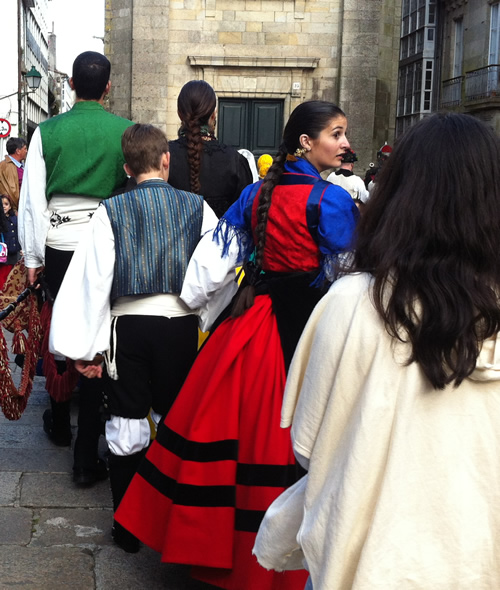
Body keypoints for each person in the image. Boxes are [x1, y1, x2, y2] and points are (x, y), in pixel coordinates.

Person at [115, 100, 359, 589]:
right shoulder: (333, 202)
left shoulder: (255, 193)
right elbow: (351, 276)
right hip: (313, 326)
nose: (345, 144)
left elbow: (210, 267)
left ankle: (216, 542)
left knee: (235, 429)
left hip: (256, 326)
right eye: (336, 134)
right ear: (306, 142)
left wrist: (197, 310)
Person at [253, 112, 500, 590]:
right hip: (478, 560)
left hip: (367, 559)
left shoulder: (351, 303)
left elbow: (307, 445)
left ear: (398, 195)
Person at [49, 123, 218, 553]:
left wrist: (86, 349)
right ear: (167, 160)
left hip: (128, 328)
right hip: (180, 325)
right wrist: (204, 314)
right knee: (173, 421)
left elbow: (93, 281)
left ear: (126, 168)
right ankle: (171, 522)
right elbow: (215, 272)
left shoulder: (111, 210)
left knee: (125, 424)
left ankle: (126, 528)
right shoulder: (198, 207)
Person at [18, 51, 134, 486]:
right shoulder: (125, 131)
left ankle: (61, 421)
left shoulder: (47, 132)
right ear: (108, 87)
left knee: (61, 328)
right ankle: (88, 449)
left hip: (59, 243)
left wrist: (32, 258)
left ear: (70, 84)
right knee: (100, 336)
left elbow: (33, 201)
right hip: (106, 240)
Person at [167, 80, 253, 217]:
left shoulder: (162, 157)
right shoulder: (235, 162)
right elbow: (245, 215)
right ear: (213, 115)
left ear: (179, 114)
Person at [0, 137, 28, 211]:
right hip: (14, 211)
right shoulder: (6, 166)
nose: (26, 151)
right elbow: (12, 192)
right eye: (25, 148)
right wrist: (15, 210)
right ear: (18, 151)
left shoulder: (20, 166)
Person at [0, 194, 21, 288]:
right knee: (3, 276)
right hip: (3, 254)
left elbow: (19, 234)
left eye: (6, 204)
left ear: (10, 206)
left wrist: (21, 248)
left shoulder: (15, 219)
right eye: (1, 204)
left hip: (14, 251)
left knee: (14, 276)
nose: (4, 206)